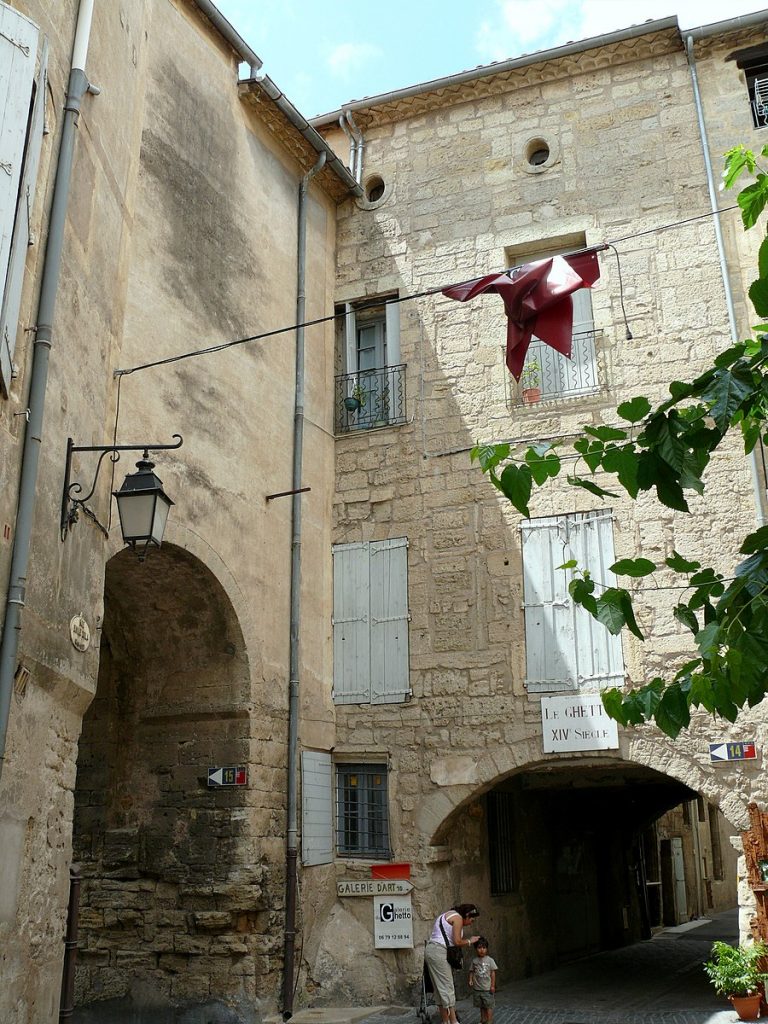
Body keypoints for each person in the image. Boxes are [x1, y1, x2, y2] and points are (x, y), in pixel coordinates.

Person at [424, 903, 481, 1024]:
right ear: (466, 915)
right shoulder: (458, 918)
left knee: (440, 989)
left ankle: (446, 1021)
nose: (471, 922)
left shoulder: (446, 915)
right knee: (447, 987)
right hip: (439, 952)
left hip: (431, 950)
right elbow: (457, 941)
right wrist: (470, 941)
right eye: (472, 919)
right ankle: (454, 1021)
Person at [469, 937, 497, 1024]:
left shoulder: (490, 960)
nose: (482, 950)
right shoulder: (474, 961)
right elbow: (472, 971)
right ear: (476, 949)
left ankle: (489, 1020)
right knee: (481, 1006)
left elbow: (493, 973)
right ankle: (483, 1019)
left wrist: (492, 985)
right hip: (477, 988)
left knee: (488, 1005)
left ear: (487, 949)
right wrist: (470, 980)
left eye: (484, 948)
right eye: (479, 948)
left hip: (487, 989)